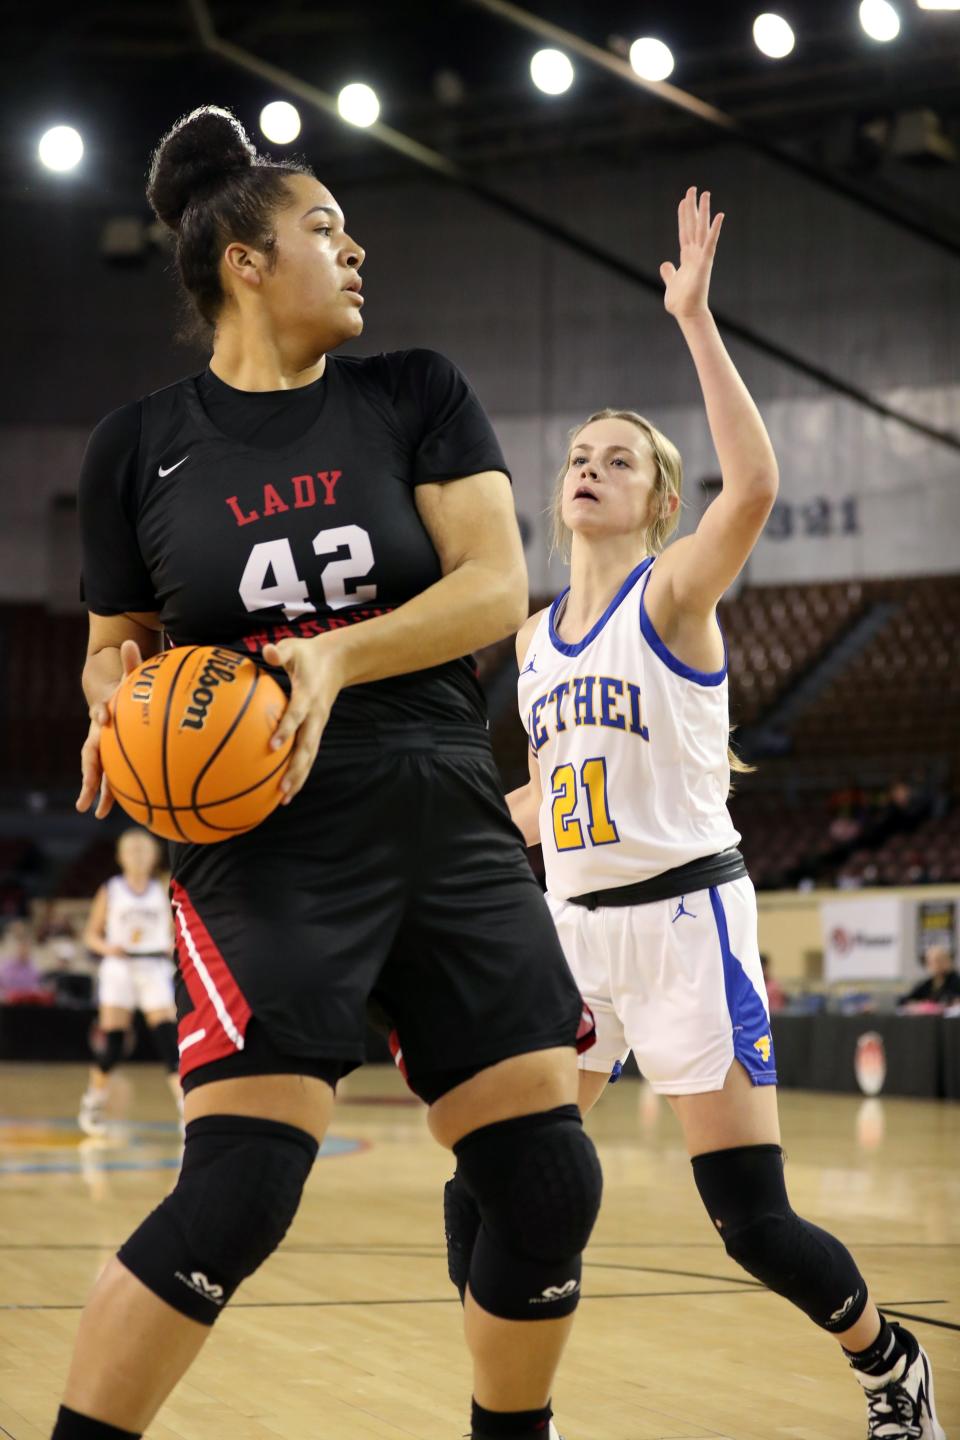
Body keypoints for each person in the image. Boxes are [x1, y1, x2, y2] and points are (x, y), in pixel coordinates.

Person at [59, 105, 599, 1440]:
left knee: (545, 1181)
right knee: (239, 1194)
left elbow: (494, 587)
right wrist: (112, 704)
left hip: (439, 798)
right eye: (324, 231)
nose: (356, 254)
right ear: (245, 261)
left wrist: (334, 659)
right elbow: (112, 651)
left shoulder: (411, 392)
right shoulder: (136, 448)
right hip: (264, 834)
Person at [445, 189, 945, 1440]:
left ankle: (889, 1364)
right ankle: (517, 1410)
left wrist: (696, 322)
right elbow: (558, 787)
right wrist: (502, 809)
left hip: (684, 931)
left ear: (660, 502)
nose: (589, 469)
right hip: (574, 936)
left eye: (619, 459)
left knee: (753, 1226)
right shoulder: (529, 635)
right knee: (493, 1180)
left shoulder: (673, 594)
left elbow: (759, 484)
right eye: (579, 455)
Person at [78, 828, 181, 1136]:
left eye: (143, 851)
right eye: (131, 851)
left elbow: (179, 931)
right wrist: (108, 947)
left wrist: (174, 944)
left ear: (154, 856)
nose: (137, 856)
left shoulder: (163, 888)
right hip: (119, 967)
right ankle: (94, 1100)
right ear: (120, 857)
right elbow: (90, 935)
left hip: (153, 967)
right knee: (113, 1045)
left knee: (169, 1042)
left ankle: (187, 1112)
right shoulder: (111, 889)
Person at [898, 943, 960, 1010]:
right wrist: (919, 1005)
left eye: (938, 961)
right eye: (930, 962)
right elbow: (903, 1000)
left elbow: (951, 1000)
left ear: (948, 961)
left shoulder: (956, 982)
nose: (935, 965)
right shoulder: (927, 983)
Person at [0, 921, 44, 999]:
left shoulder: (34, 968)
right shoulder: (5, 967)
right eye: (22, 948)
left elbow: (36, 988)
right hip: (8, 1003)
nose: (24, 951)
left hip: (27, 1003)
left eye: (27, 948)